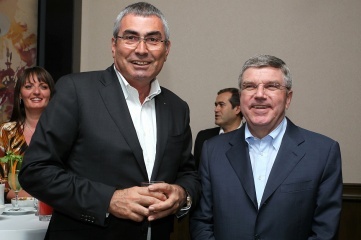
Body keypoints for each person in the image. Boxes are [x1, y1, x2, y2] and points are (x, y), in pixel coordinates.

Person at [19, 2, 200, 240]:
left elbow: (189, 173)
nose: (142, 49)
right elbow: (35, 170)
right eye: (131, 37)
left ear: (167, 49)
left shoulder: (177, 107)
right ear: (113, 45)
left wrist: (182, 193)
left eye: (153, 39)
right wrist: (108, 200)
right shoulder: (76, 91)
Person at [190, 54, 342, 239]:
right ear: (241, 98)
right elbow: (201, 222)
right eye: (250, 86)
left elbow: (324, 232)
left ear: (288, 98)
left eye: (271, 86)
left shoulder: (323, 152)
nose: (259, 95)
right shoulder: (212, 150)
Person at [0, 66, 55, 202]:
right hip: (15, 213)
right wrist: (39, 199)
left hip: (56, 212)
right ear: (19, 94)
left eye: (43, 87)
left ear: (51, 94)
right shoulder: (5, 132)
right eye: (29, 86)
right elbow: (2, 184)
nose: (36, 92)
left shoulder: (64, 132)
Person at [193, 88, 243, 168]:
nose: (216, 109)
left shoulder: (250, 138)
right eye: (216, 105)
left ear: (237, 109)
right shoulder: (203, 137)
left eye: (221, 105)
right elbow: (196, 174)